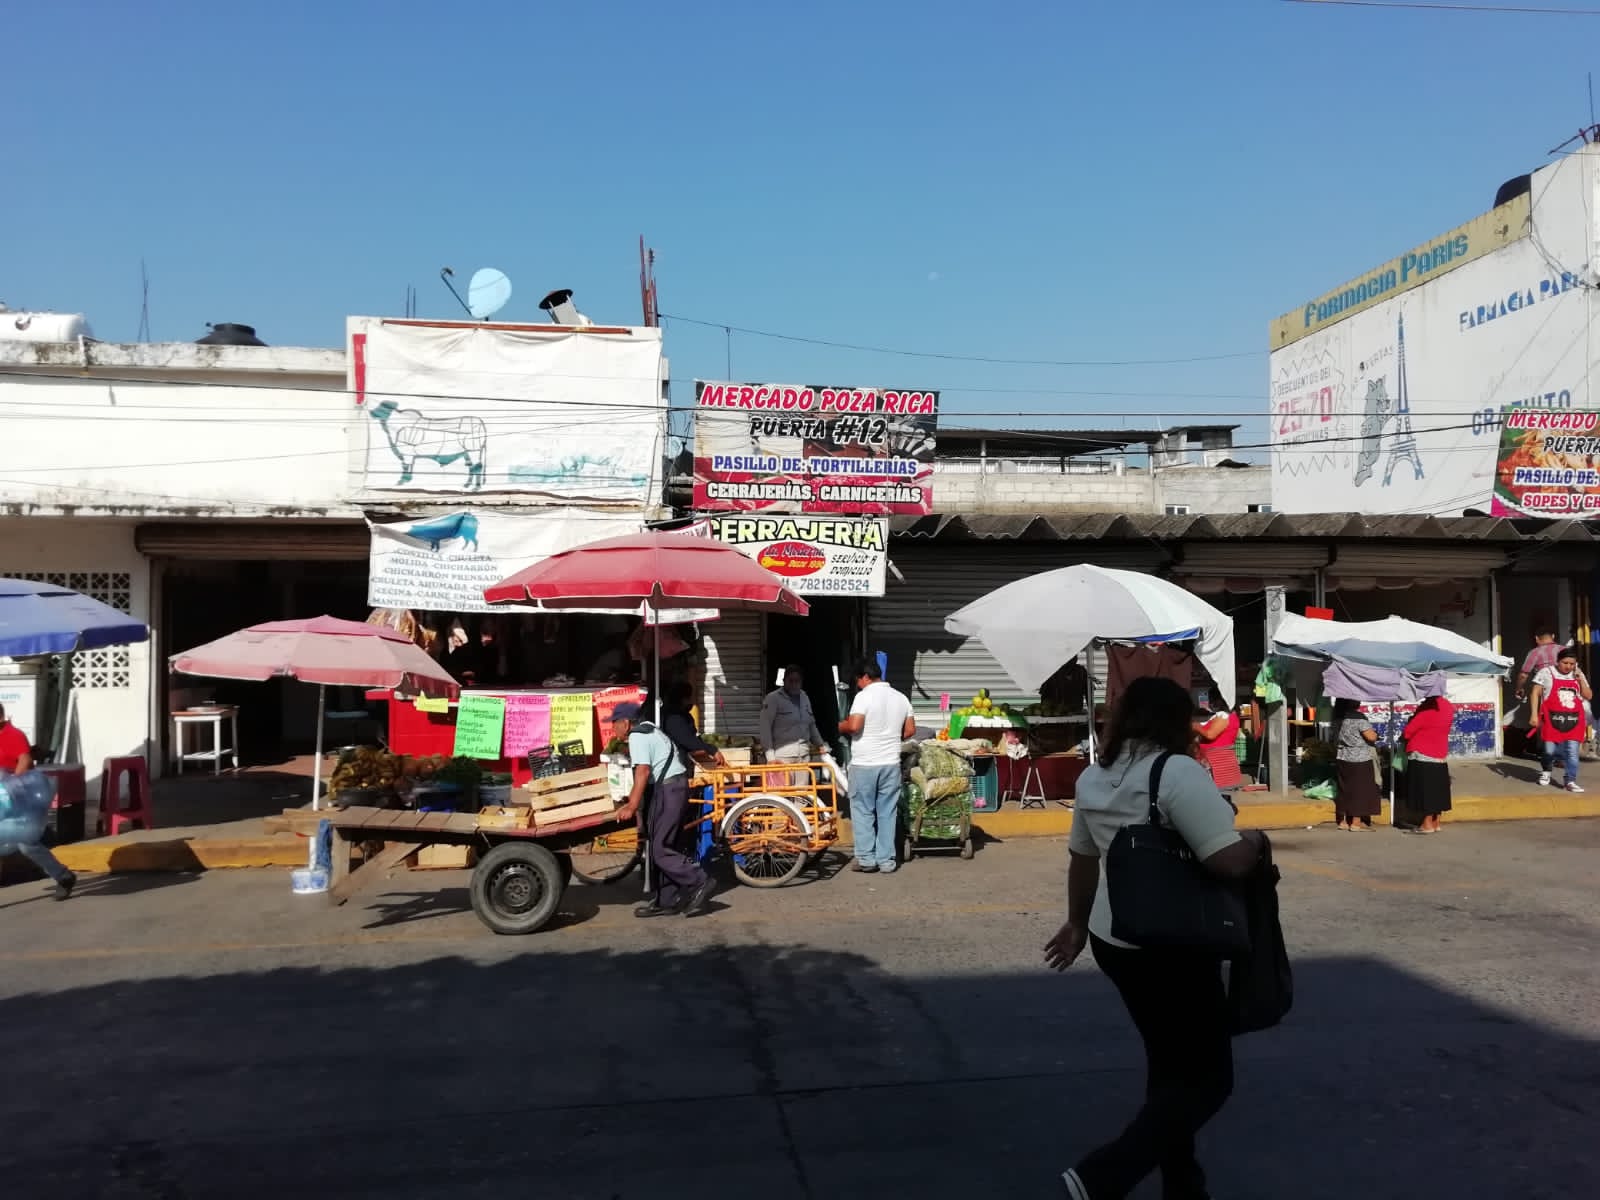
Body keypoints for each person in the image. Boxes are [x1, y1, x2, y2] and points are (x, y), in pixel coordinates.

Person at [1045, 676, 1263, 1200]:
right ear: (1173, 720)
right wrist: (1257, 842)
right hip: (1174, 944)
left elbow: (1083, 860)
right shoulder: (1176, 771)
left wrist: (1076, 924)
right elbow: (1228, 860)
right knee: (1209, 1080)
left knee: (1169, 1064)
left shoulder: (1094, 776)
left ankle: (1183, 1185)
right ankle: (1103, 1176)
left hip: (1115, 939)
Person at [610, 702, 716, 918]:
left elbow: (642, 771)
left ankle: (700, 880)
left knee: (660, 849)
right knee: (664, 845)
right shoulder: (651, 728)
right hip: (674, 787)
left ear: (626, 723)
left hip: (669, 790)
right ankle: (667, 900)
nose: (613, 729)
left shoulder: (638, 736)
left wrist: (631, 805)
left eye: (614, 724)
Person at [837, 658, 915, 875]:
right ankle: (886, 861)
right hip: (890, 763)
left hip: (865, 763)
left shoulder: (863, 697)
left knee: (863, 811)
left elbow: (854, 726)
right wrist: (890, 736)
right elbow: (910, 731)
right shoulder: (901, 698)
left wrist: (841, 726)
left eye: (858, 681)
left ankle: (866, 859)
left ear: (865, 677)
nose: (858, 685)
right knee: (887, 812)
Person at [1527, 646, 1592, 793]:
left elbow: (1588, 695)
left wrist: (1580, 680)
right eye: (1565, 663)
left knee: (1572, 752)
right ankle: (1546, 771)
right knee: (1549, 751)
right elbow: (1535, 693)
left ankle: (1570, 780)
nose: (1568, 666)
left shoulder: (1578, 674)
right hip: (1552, 719)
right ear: (1558, 661)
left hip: (1574, 720)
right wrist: (1533, 714)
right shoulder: (1546, 672)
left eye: (1572, 664)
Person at [1401, 694, 1455, 834]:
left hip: (1422, 752)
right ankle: (1435, 822)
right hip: (1440, 752)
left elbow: (1408, 731)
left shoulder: (1427, 708)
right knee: (1437, 789)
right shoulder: (1447, 706)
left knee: (1425, 790)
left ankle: (1426, 824)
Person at [1330, 698, 1381, 831]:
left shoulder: (1337, 719)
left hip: (1342, 757)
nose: (1360, 701)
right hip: (1360, 759)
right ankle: (1356, 822)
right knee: (1360, 790)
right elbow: (1371, 736)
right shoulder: (1358, 718)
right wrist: (1376, 735)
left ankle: (1343, 821)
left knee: (1344, 789)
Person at [761, 665, 826, 765]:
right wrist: (770, 757)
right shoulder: (773, 698)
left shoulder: (804, 697)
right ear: (784, 681)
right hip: (782, 757)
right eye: (790, 681)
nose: (794, 684)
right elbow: (765, 728)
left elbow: (811, 725)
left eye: (797, 681)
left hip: (803, 756)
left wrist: (820, 745)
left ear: (801, 682)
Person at [659, 682, 726, 769]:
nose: (693, 700)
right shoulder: (673, 717)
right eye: (691, 697)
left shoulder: (684, 715)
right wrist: (712, 750)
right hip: (675, 767)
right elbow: (688, 740)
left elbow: (693, 738)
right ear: (684, 699)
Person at [1192, 688, 1243, 794]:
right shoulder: (1224, 715)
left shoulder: (1224, 716)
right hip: (1215, 762)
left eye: (1212, 700)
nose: (1210, 703)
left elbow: (1210, 734)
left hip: (1217, 763)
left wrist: (1196, 726)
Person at [0, 703, 32, 774]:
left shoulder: (15, 735)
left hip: (8, 779)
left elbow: (24, 761)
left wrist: (13, 779)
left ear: (1, 718)